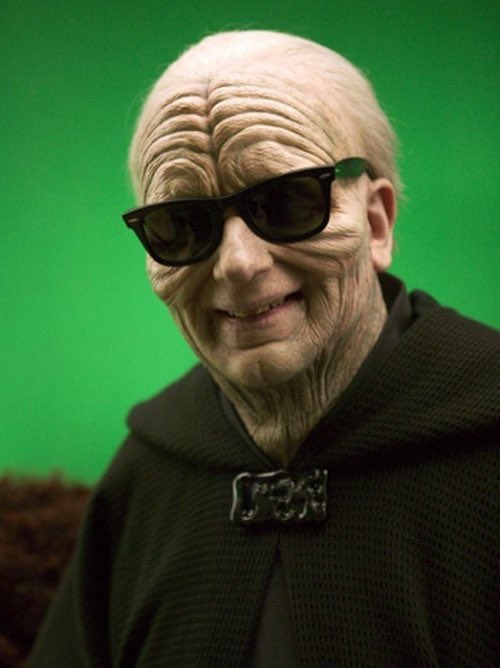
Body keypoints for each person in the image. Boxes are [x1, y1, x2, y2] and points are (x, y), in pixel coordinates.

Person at [27, 30, 499, 667]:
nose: (238, 263)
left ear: (376, 222)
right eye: (182, 225)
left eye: (286, 201)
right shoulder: (147, 474)